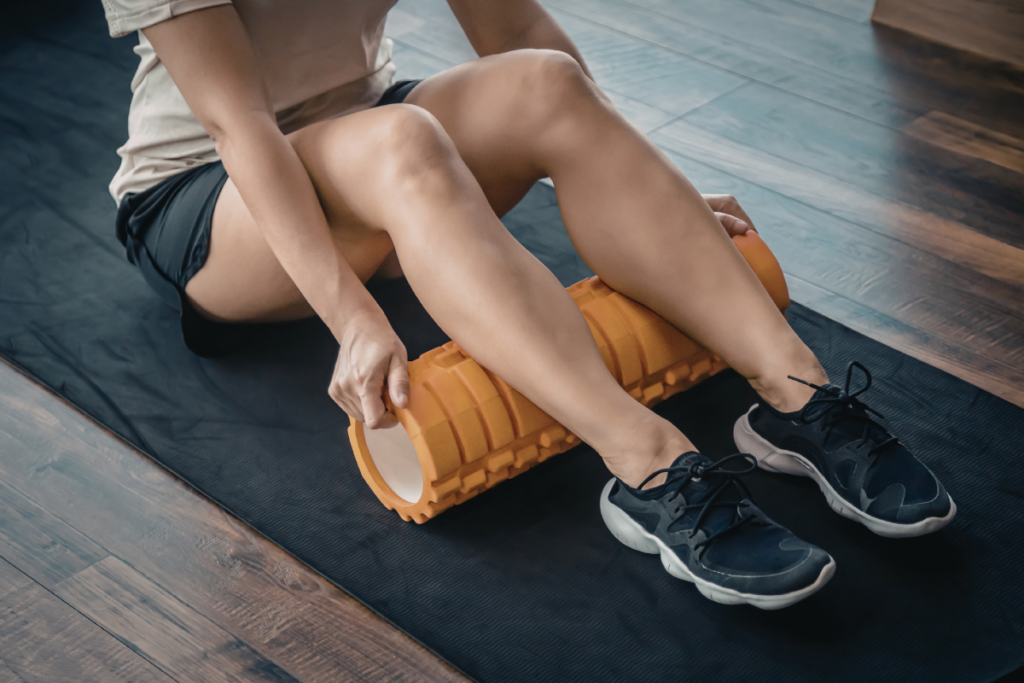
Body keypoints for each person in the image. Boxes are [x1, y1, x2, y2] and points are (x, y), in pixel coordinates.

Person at [104, 0, 954, 609]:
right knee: (402, 139)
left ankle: (798, 395)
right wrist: (353, 314)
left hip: (372, 132)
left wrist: (663, 188)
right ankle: (647, 467)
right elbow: (239, 122)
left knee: (544, 81)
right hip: (213, 201)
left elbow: (511, 29)